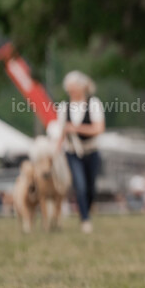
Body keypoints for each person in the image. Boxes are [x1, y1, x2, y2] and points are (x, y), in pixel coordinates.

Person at [53, 71, 104, 233]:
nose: (71, 92)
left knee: (90, 188)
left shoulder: (94, 104)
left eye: (73, 88)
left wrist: (76, 128)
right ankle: (85, 219)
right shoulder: (63, 107)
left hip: (91, 151)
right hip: (72, 152)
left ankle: (86, 211)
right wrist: (55, 150)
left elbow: (98, 129)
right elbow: (61, 132)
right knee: (80, 186)